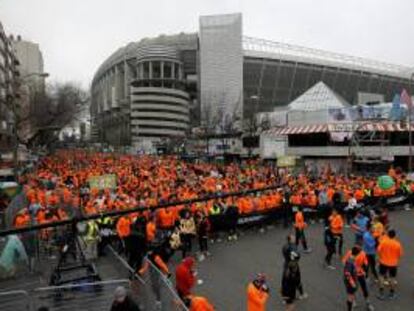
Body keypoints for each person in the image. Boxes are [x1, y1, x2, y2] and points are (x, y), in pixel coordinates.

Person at [342, 246, 374, 310]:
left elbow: (344, 262)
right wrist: (366, 274)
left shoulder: (350, 253)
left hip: (353, 275)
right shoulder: (362, 254)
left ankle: (353, 302)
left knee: (353, 289)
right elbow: (366, 265)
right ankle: (368, 303)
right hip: (359, 274)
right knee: (364, 288)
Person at [377, 229, 403, 300]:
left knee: (381, 276)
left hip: (383, 262)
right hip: (393, 263)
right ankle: (391, 293)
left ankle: (381, 293)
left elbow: (378, 250)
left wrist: (381, 257)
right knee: (392, 278)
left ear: (388, 235)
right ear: (395, 235)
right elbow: (400, 255)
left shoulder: (383, 242)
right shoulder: (397, 244)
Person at [343, 247, 359, 311]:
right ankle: (349, 308)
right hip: (350, 282)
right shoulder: (350, 262)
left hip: (351, 280)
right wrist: (353, 284)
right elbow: (347, 274)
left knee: (351, 295)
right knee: (350, 296)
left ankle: (351, 305)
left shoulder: (351, 259)